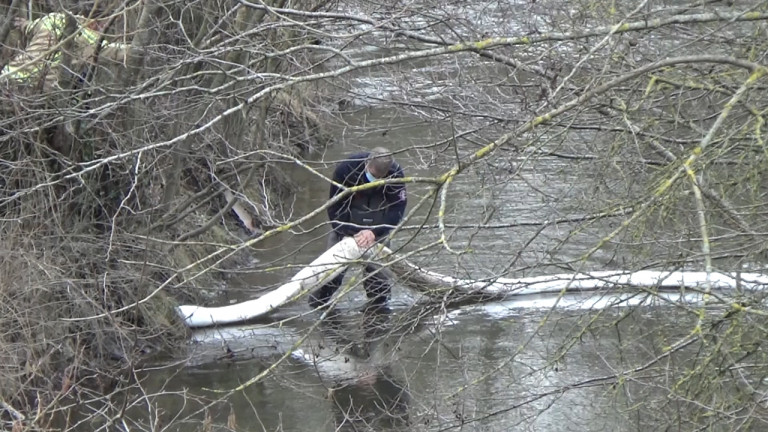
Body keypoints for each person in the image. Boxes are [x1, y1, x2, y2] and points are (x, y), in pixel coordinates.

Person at [309, 147, 407, 310]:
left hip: (378, 229)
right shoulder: (347, 168)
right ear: (367, 163)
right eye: (372, 175)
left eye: (379, 177)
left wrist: (374, 233)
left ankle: (378, 312)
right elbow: (334, 207)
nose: (375, 179)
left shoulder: (395, 174)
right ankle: (318, 306)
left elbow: (398, 209)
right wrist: (351, 233)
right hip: (345, 227)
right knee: (331, 274)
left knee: (378, 277)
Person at [1, 10, 126, 92]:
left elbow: (29, 26)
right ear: (94, 23)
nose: (102, 30)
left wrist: (23, 24)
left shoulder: (54, 18)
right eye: (103, 25)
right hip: (36, 95)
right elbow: (118, 52)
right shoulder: (92, 42)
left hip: (7, 79)